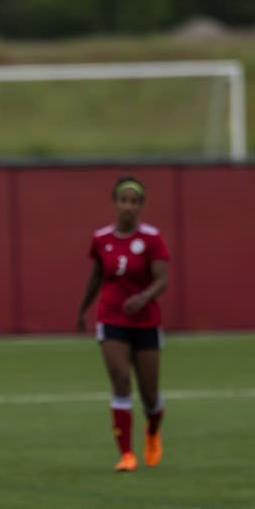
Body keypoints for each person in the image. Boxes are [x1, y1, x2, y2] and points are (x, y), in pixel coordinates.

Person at [76, 174, 172, 472]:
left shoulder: (152, 239)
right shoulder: (101, 239)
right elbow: (97, 277)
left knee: (149, 394)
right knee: (120, 382)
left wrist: (143, 298)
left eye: (134, 201)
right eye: (123, 200)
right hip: (112, 318)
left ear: (141, 205)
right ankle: (126, 455)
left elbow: (162, 281)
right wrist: (83, 309)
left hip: (145, 321)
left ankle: (153, 430)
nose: (128, 206)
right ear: (115, 203)